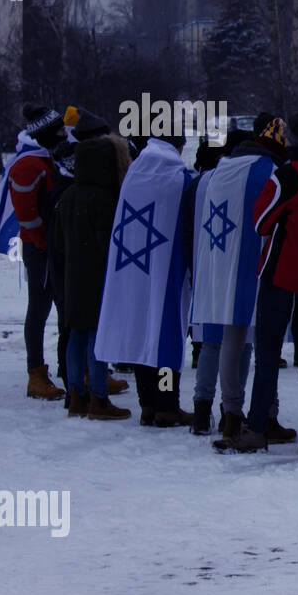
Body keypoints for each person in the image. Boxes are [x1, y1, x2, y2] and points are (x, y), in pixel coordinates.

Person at [219, 112, 298, 454]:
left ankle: (257, 427)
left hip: (281, 271)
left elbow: (260, 222)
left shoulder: (288, 175)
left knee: (269, 353)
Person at [196, 129, 294, 448]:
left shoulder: (220, 171)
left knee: (230, 339)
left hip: (220, 263)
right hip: (258, 262)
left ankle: (230, 416)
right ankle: (267, 416)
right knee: (265, 345)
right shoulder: (270, 171)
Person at [94, 133, 195, 427]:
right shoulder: (179, 180)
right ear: (178, 147)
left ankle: (148, 405)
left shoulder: (133, 177)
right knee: (165, 341)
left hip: (131, 271)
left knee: (140, 336)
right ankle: (167, 406)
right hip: (166, 271)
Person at [52, 135, 133, 421]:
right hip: (98, 277)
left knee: (75, 334)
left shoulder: (68, 195)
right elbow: (108, 244)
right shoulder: (103, 198)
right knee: (97, 337)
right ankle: (98, 397)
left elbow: (58, 243)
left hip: (72, 276)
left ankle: (76, 395)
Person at [9, 104, 69, 401]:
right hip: (39, 249)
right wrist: (46, 244)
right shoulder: (27, 165)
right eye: (59, 129)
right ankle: (36, 374)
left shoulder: (48, 158)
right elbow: (27, 216)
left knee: (65, 305)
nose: (64, 133)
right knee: (40, 308)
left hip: (53, 245)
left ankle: (70, 367)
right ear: (45, 133)